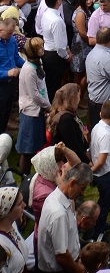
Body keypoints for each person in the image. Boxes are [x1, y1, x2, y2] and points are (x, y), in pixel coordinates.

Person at [37, 162, 93, 273]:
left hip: (62, 272)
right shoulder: (58, 213)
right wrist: (79, 270)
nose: (82, 193)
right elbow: (61, 255)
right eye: (82, 188)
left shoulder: (58, 198)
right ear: (72, 182)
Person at [16, 36, 50, 172]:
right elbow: (34, 95)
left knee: (37, 146)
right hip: (30, 113)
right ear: (33, 51)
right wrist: (49, 106)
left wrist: (46, 103)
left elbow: (42, 87)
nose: (43, 49)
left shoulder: (38, 62)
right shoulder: (29, 69)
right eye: (40, 47)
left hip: (39, 109)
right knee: (27, 150)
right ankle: (24, 176)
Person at [89, 101, 110, 235]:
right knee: (106, 203)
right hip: (105, 173)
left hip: (102, 171)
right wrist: (91, 171)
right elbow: (102, 160)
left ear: (100, 114)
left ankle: (99, 225)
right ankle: (98, 230)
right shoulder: (106, 134)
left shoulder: (97, 127)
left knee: (104, 201)